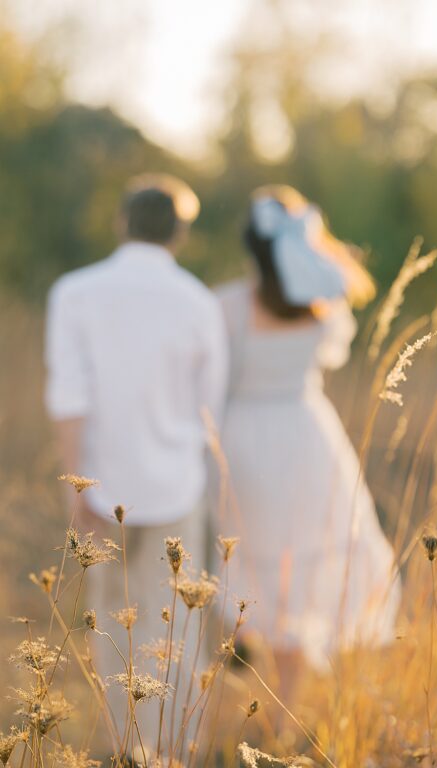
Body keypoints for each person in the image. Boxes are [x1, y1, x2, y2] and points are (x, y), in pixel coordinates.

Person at [45, 173, 227, 759]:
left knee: (113, 629)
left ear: (123, 222)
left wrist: (77, 487)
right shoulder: (199, 301)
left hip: (101, 487)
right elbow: (210, 408)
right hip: (179, 483)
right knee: (175, 628)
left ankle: (128, 750)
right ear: (180, 232)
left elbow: (69, 397)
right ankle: (172, 752)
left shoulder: (74, 291)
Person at [212, 185, 400, 705]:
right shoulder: (320, 302)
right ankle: (282, 711)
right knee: (299, 566)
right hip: (306, 434)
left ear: (251, 246)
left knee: (247, 559)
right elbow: (333, 354)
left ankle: (249, 652)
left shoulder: (227, 306)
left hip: (243, 437)